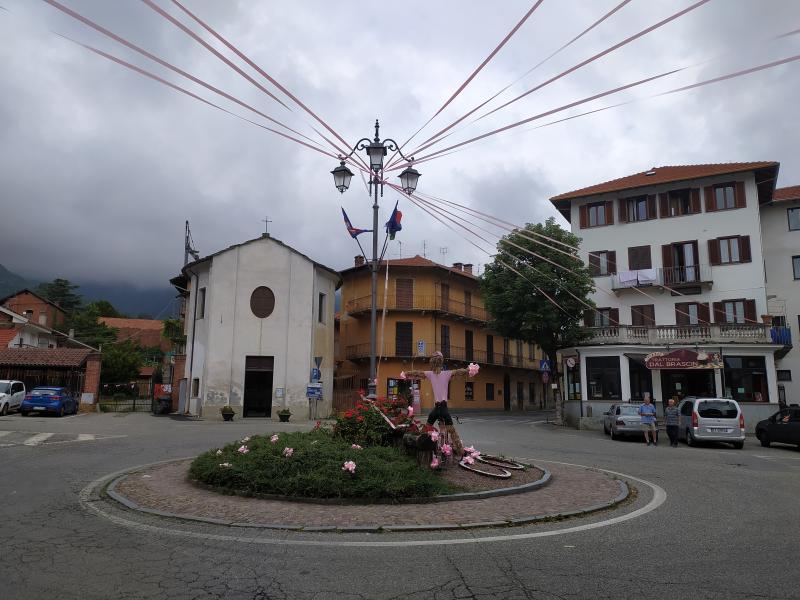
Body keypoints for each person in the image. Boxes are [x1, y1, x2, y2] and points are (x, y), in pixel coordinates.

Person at [402, 351, 476, 457]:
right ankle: (461, 452)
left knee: (425, 429)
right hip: (444, 408)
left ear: (432, 363)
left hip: (436, 409)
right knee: (452, 432)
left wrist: (406, 373)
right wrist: (469, 370)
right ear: (441, 363)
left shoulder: (430, 374)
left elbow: (417, 373)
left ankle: (418, 448)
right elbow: (460, 372)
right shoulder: (447, 373)